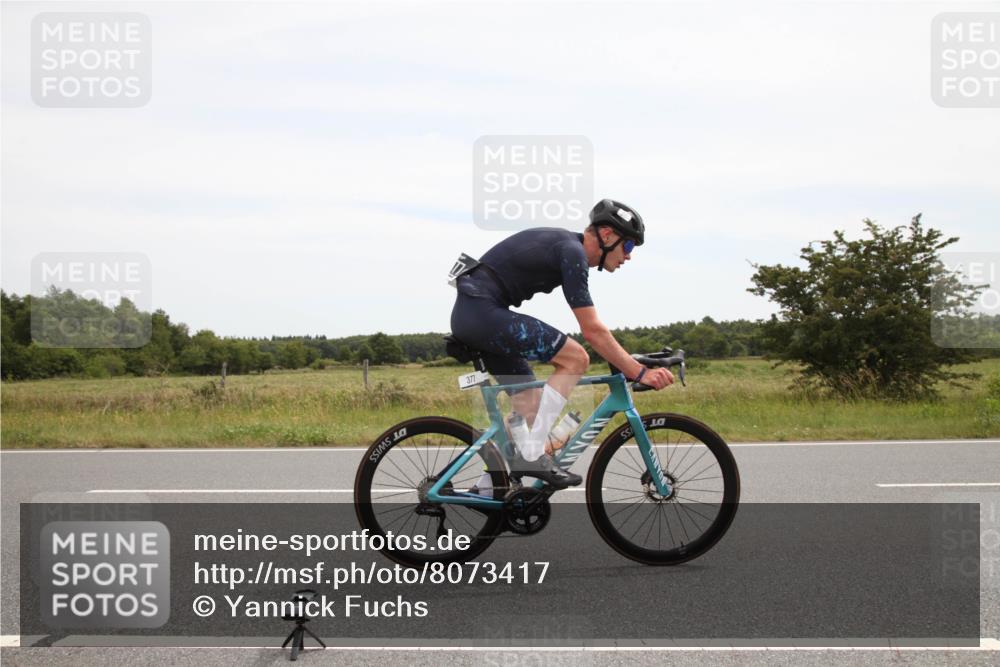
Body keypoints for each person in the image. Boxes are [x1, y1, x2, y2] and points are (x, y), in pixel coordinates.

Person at [449, 199, 673, 489]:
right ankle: (532, 456)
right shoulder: (572, 252)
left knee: (530, 407)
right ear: (607, 235)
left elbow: (596, 331)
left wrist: (631, 362)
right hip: (479, 311)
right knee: (575, 358)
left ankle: (489, 488)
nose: (628, 256)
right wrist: (639, 372)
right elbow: (592, 331)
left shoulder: (569, 248)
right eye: (628, 246)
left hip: (479, 311)